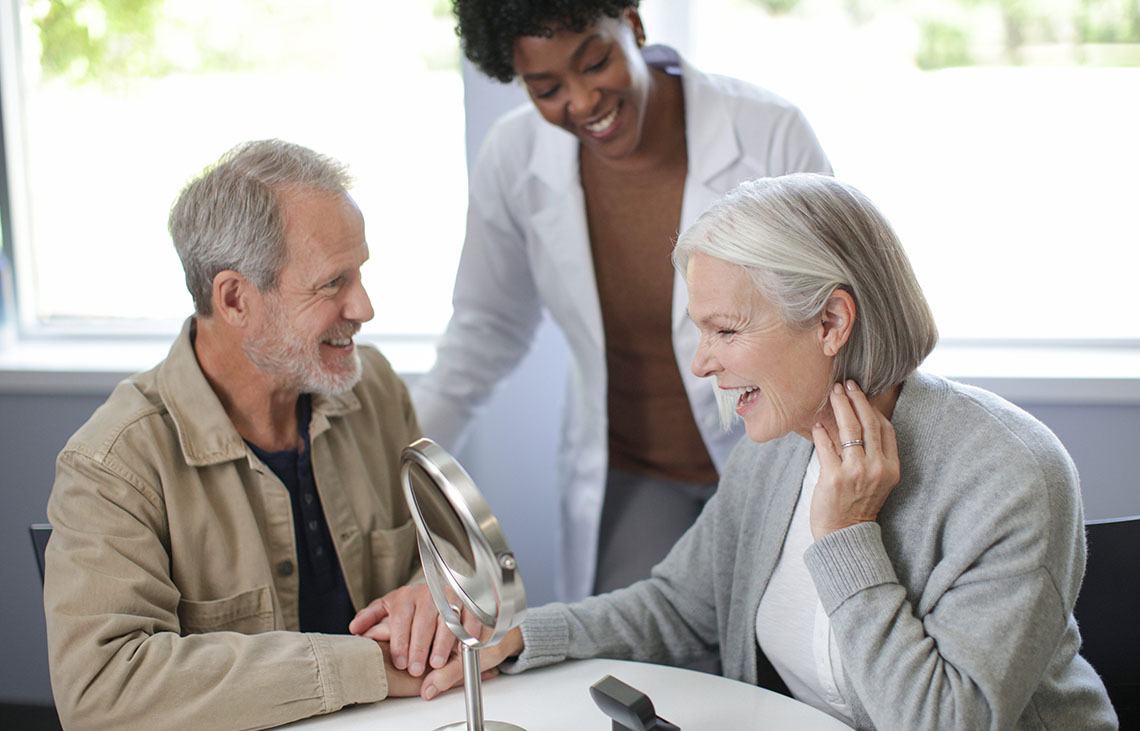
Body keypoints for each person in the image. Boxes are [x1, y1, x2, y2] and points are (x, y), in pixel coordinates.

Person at [418, 174, 1118, 727]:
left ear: (831, 321)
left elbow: (940, 721)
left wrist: (847, 535)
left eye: (725, 330)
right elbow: (681, 606)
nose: (701, 364)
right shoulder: (780, 440)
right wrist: (521, 633)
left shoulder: (1010, 474)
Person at [415, 0, 832, 601]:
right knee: (627, 659)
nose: (581, 102)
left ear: (633, 24)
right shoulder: (514, 159)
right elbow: (485, 329)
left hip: (777, 455)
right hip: (637, 473)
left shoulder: (767, 131)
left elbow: (837, 316)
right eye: (547, 86)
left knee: (776, 659)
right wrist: (401, 459)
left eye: (595, 62)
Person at [43, 140, 468, 730]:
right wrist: (364, 668)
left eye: (361, 273)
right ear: (236, 299)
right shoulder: (113, 464)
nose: (365, 307)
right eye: (332, 283)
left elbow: (448, 554)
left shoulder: (375, 391)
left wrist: (438, 595)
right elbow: (103, 689)